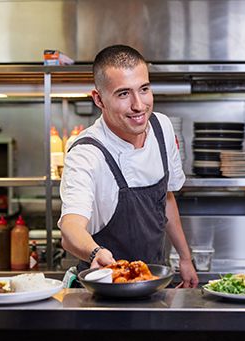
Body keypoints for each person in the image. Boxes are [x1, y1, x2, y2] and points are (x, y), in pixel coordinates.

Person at [58, 45, 198, 288]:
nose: (139, 105)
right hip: (100, 291)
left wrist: (185, 259)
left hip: (154, 285)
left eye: (144, 89)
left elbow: (166, 198)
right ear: (99, 99)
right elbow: (70, 229)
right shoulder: (86, 152)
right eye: (123, 94)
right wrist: (94, 253)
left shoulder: (162, 128)